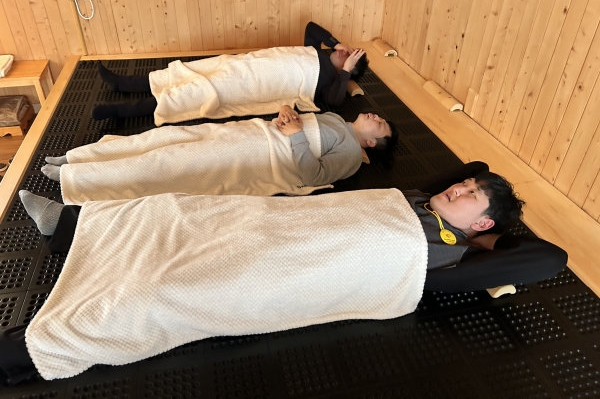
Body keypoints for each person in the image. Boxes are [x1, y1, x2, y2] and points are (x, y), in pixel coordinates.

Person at [0, 162, 567, 384]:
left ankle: (28, 349)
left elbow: (549, 258)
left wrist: (492, 238)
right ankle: (70, 228)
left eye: (470, 196)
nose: (460, 187)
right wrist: (476, 202)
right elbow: (474, 165)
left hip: (288, 264)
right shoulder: (418, 199)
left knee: (161, 291)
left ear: (482, 222)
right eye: (463, 185)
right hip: (275, 222)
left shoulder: (444, 258)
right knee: (171, 210)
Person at [40, 107, 397, 207]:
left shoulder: (351, 153)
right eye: (380, 117)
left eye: (380, 126)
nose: (376, 117)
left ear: (370, 144)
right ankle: (77, 159)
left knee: (165, 164)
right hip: (245, 132)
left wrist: (295, 134)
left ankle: (77, 181)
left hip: (253, 155)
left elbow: (313, 175)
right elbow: (296, 123)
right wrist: (288, 114)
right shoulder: (334, 117)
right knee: (161, 139)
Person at [91, 21, 368, 123]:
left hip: (253, 83)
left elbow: (334, 102)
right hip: (245, 63)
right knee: (189, 71)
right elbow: (311, 28)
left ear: (349, 68)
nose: (345, 53)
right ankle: (123, 83)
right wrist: (335, 43)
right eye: (349, 50)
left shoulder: (331, 82)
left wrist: (345, 72)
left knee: (195, 92)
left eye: (350, 56)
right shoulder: (316, 50)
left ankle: (121, 111)